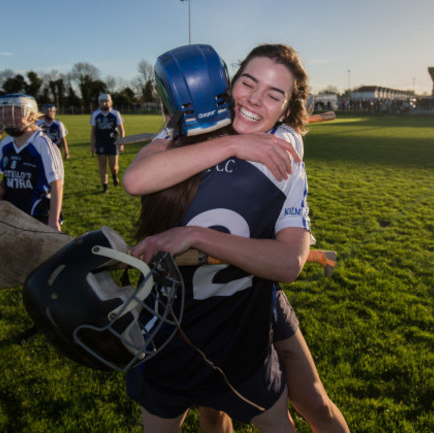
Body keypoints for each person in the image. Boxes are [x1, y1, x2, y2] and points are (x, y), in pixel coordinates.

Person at [124, 44, 350, 433]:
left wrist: (195, 235)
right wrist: (231, 143)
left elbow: (288, 262)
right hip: (176, 310)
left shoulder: (285, 148)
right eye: (248, 83)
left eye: (274, 95)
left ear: (287, 108)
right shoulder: (190, 124)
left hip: (252, 297)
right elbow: (135, 180)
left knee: (312, 400)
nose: (255, 100)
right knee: (212, 414)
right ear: (229, 83)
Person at [0, 93, 64, 231]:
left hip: (38, 214)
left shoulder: (43, 144)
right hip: (12, 214)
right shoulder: (5, 144)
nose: (7, 119)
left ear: (30, 116)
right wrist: (0, 186)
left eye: (13, 114)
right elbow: (8, 176)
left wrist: (53, 221)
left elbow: (57, 183)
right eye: (4, 114)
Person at [90, 93, 125, 193]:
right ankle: (105, 185)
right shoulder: (95, 114)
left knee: (113, 167)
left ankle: (114, 176)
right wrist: (92, 145)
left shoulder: (115, 113)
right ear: (99, 103)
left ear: (111, 102)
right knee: (102, 164)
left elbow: (121, 129)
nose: (104, 103)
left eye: (107, 101)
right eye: (102, 101)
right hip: (100, 142)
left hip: (113, 142)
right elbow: (92, 131)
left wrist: (121, 143)